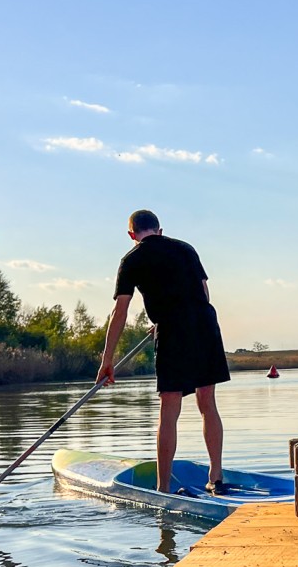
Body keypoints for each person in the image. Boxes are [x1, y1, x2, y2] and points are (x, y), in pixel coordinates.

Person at [98, 210, 231, 494]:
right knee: (207, 401)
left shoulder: (131, 260)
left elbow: (119, 311)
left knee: (169, 409)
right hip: (204, 324)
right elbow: (203, 292)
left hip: (172, 329)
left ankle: (164, 487)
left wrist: (107, 359)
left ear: (132, 235)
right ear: (159, 230)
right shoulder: (185, 248)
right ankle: (216, 476)